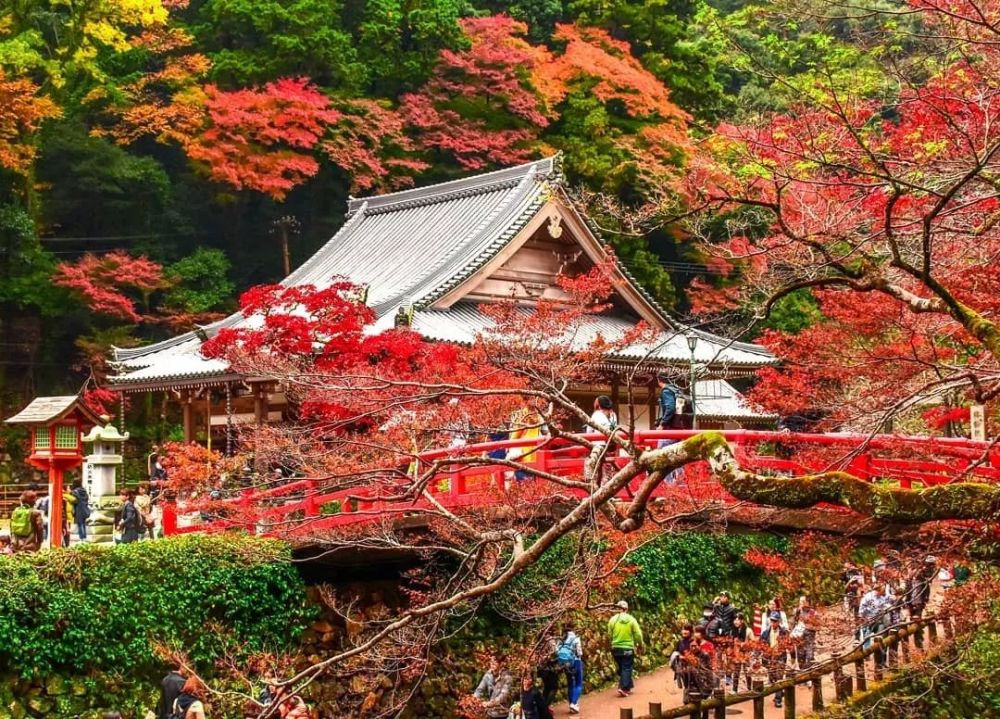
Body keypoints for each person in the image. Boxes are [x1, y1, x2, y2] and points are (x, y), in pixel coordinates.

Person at [608, 600, 643, 697]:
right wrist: (640, 644)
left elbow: (609, 634)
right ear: (627, 609)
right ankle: (622, 687)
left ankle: (628, 686)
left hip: (616, 648)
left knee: (623, 668)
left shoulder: (612, 620)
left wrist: (613, 642)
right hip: (627, 648)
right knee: (626, 668)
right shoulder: (631, 619)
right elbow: (638, 634)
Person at [760, 612, 789, 707]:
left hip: (780, 657)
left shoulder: (784, 632)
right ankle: (779, 691)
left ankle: (778, 699)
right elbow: (761, 645)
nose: (773, 623)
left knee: (779, 677)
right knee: (772, 678)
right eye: (772, 621)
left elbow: (789, 644)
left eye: (775, 621)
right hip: (770, 658)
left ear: (779, 621)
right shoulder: (766, 632)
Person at [558, 623, 584, 714]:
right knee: (578, 683)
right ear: (573, 629)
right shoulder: (576, 638)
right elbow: (579, 652)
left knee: (570, 684)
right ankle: (574, 703)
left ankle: (572, 705)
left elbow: (557, 651)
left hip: (565, 663)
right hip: (576, 662)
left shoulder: (562, 639)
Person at [726, 614, 752, 692]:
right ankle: (734, 690)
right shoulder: (732, 631)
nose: (736, 622)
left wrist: (745, 644)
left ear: (742, 621)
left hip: (745, 654)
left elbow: (753, 642)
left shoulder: (748, 630)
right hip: (736, 654)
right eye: (735, 620)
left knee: (747, 671)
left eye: (738, 620)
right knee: (736, 672)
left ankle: (749, 688)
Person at [669, 624, 696, 698]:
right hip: (683, 667)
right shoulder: (680, 642)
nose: (684, 631)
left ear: (690, 632)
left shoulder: (694, 642)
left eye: (687, 630)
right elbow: (676, 652)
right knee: (686, 683)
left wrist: (688, 658)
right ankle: (687, 699)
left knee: (693, 683)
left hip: (693, 666)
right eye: (683, 629)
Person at [792, 595, 817, 670]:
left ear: (807, 602)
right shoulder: (797, 611)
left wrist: (808, 627)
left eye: (802, 601)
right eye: (800, 601)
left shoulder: (813, 612)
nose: (800, 603)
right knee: (800, 659)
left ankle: (812, 678)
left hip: (809, 639)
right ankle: (803, 678)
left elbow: (817, 626)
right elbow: (793, 623)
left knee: (809, 658)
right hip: (799, 639)